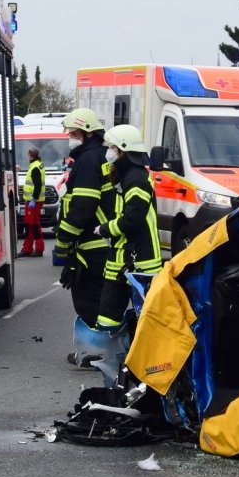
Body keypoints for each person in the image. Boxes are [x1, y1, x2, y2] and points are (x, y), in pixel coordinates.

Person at [53, 108, 114, 340]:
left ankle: (97, 351)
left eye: (73, 132)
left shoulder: (88, 160)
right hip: (102, 241)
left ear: (88, 133)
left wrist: (64, 240)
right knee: (102, 298)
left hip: (92, 243)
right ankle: (103, 349)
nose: (70, 136)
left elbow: (82, 206)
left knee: (89, 299)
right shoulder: (99, 156)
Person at [95, 124, 162, 330]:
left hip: (141, 261)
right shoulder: (127, 175)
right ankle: (107, 352)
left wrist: (105, 229)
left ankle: (132, 356)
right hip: (124, 257)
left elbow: (133, 219)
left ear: (123, 150)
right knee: (109, 311)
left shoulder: (136, 178)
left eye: (112, 147)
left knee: (146, 316)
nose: (109, 152)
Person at [21, 147, 45, 257]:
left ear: (30, 155)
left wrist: (34, 199)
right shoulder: (37, 164)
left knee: (34, 225)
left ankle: (39, 249)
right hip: (31, 200)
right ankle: (27, 248)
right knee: (29, 224)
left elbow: (38, 185)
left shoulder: (35, 167)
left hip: (34, 201)